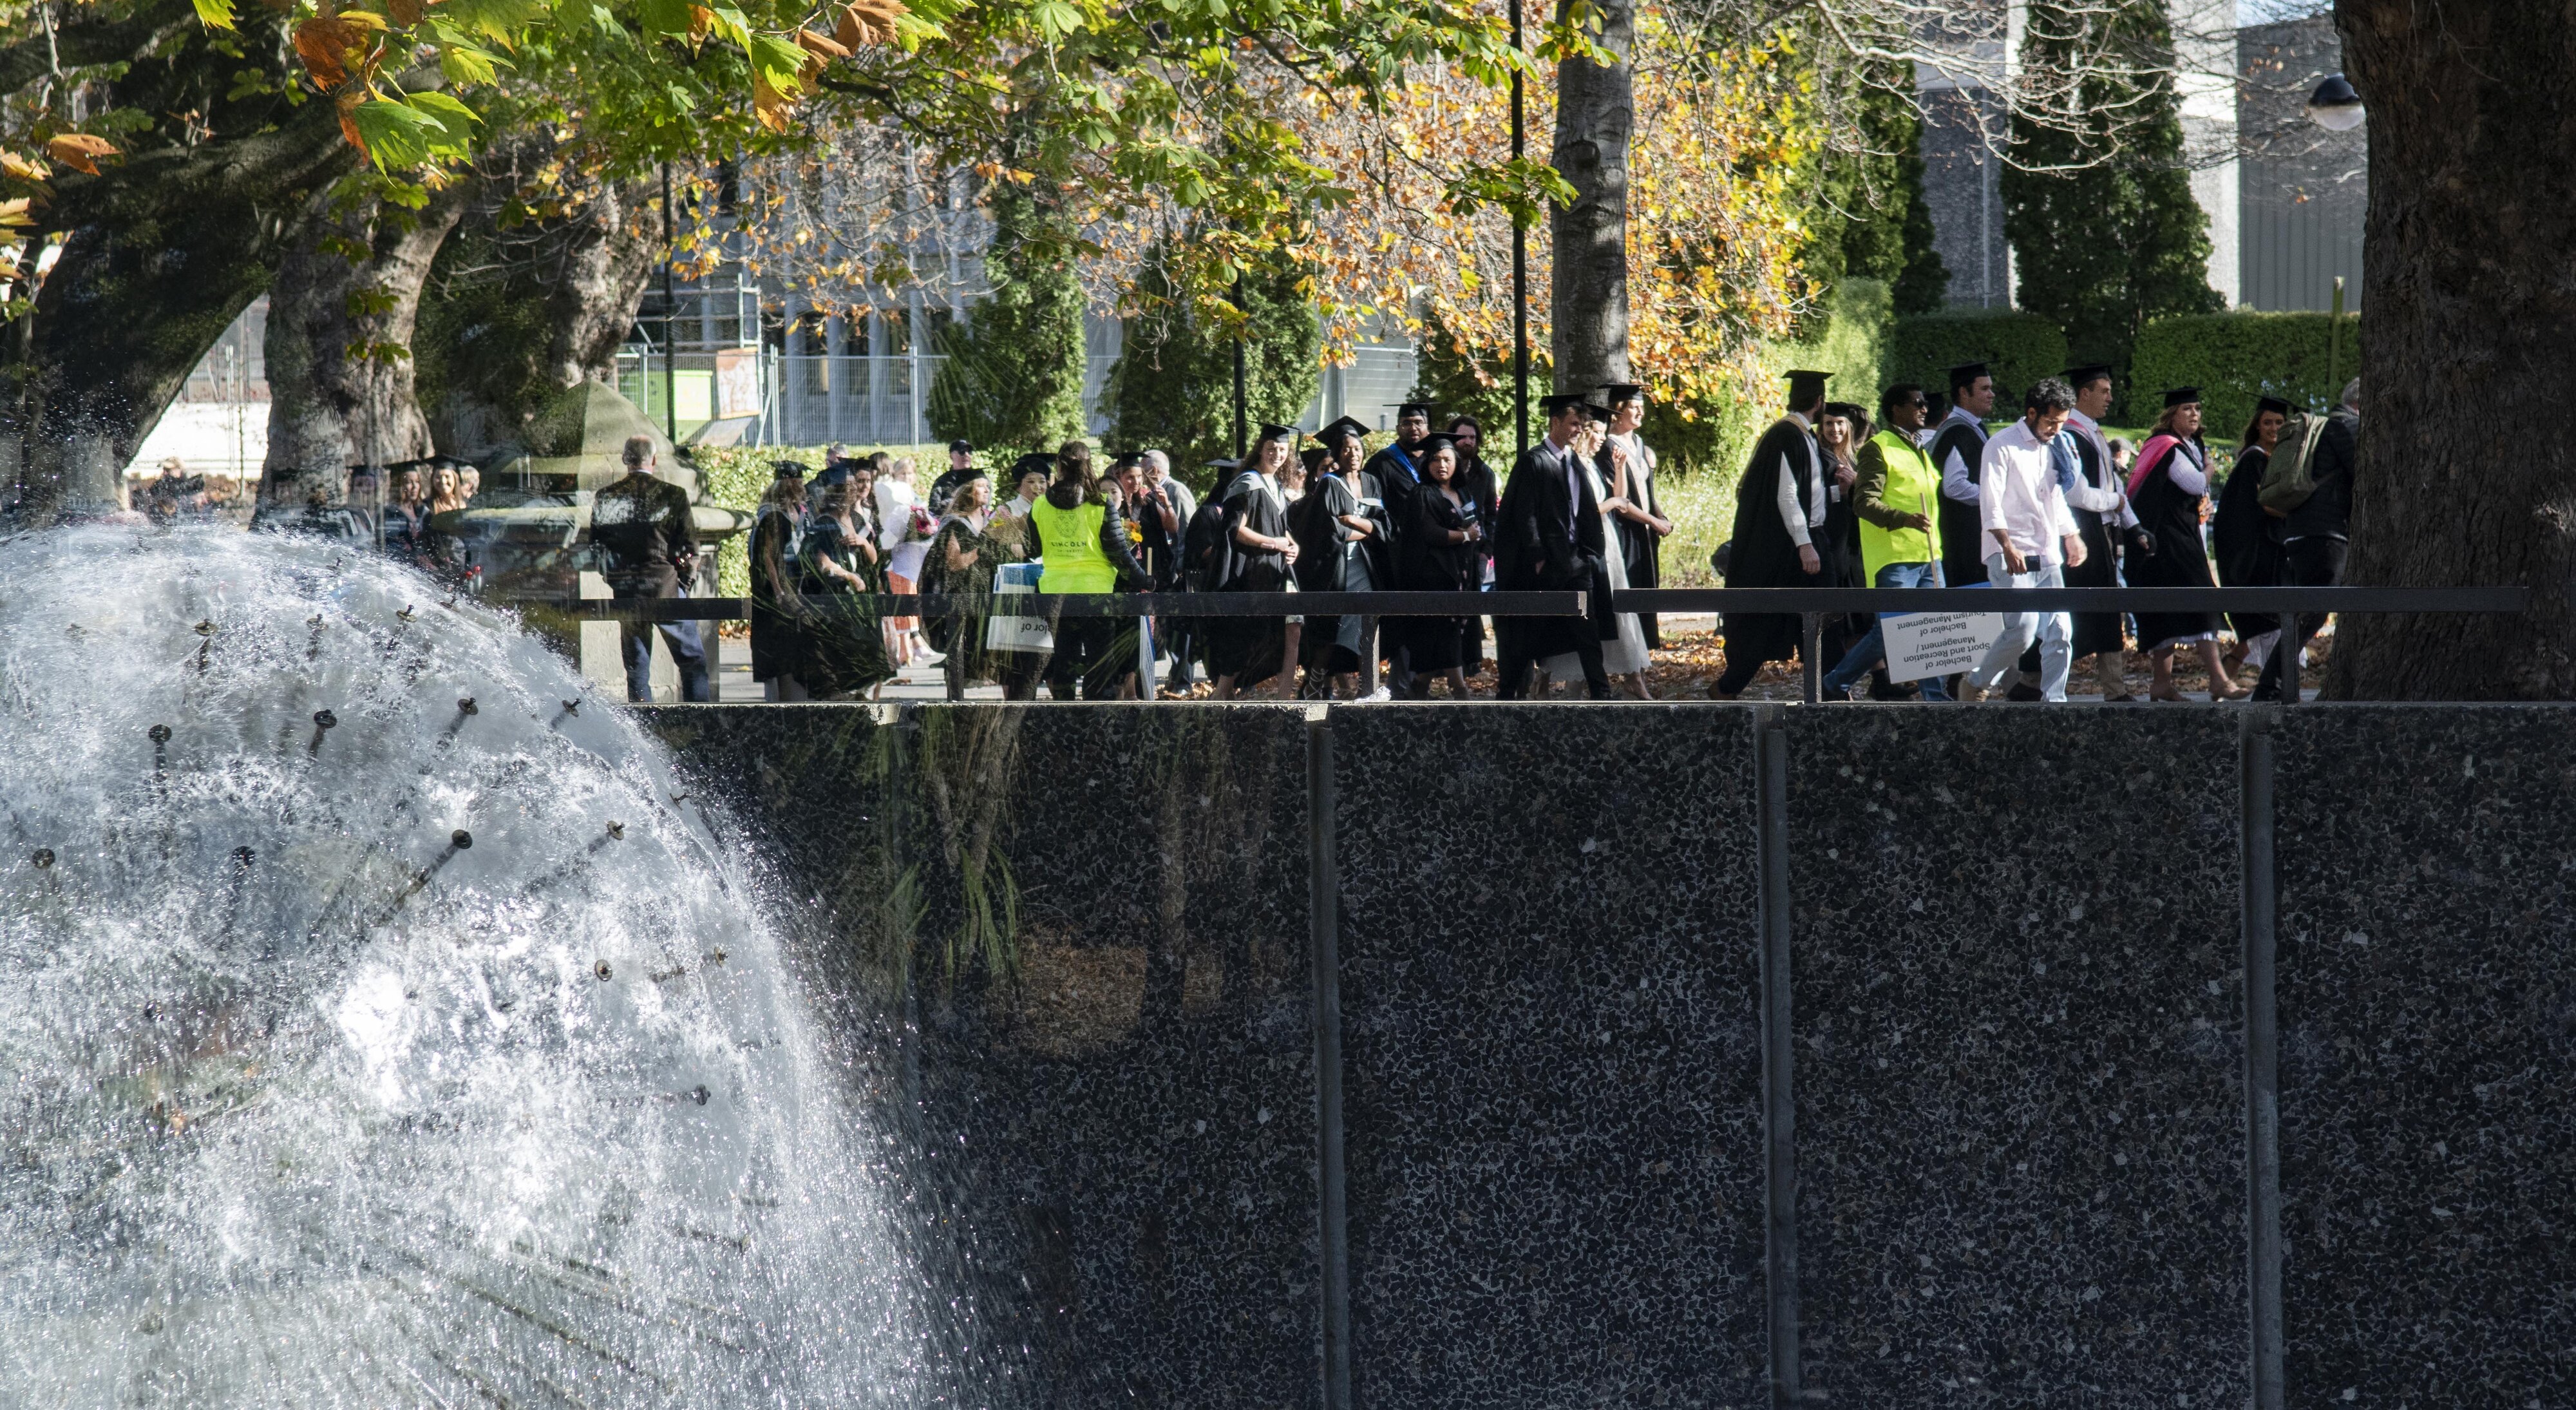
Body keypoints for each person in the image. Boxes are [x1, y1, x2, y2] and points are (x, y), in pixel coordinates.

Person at [1821, 383, 1951, 701]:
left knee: (1935, 629)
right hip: (1895, 559)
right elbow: (1863, 502)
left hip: (1930, 556)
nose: (1924, 408)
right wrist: (1903, 518)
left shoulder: (1918, 448)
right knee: (1892, 633)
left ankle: (1936, 698)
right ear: (1896, 410)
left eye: (1925, 403)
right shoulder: (1878, 448)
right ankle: (1833, 685)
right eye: (1916, 403)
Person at [1960, 378, 2086, 702]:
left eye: (2062, 422)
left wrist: (2071, 535)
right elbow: (1991, 501)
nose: (2057, 429)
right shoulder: (2001, 445)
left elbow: (2055, 498)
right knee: (2024, 630)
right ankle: (1977, 682)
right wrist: (2006, 545)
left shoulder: (2054, 446)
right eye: (2051, 422)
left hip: (2046, 552)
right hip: (2009, 552)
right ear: (2032, 413)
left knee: (2061, 631)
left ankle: (2055, 701)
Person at [1711, 370, 1833, 699]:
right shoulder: (1787, 436)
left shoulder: (1803, 435)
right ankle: (1726, 689)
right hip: (1795, 547)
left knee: (1823, 622)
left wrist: (1839, 492)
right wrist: (1806, 545)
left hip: (1808, 540)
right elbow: (1787, 496)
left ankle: (1829, 692)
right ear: (1818, 402)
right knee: (1768, 623)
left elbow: (1811, 493)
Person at [2126, 388, 2250, 701]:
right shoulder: (2165, 446)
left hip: (2181, 539)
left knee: (2168, 609)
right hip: (2168, 542)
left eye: (2197, 408)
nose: (2194, 414)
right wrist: (2209, 469)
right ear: (2171, 415)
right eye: (2186, 409)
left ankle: (2162, 685)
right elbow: (2194, 482)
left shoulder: (2191, 445)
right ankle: (2219, 680)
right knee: (2202, 602)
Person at [1495, 392, 1615, 700]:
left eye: (1582, 425)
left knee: (1586, 629)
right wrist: (1536, 556)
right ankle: (1507, 693)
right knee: (1528, 632)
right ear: (1555, 422)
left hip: (1576, 559)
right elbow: (1525, 513)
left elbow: (1584, 508)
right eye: (1574, 423)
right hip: (1545, 562)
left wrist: (1589, 553)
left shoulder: (1574, 461)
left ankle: (1602, 693)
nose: (1579, 430)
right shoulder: (1533, 461)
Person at [2253, 379, 2360, 701]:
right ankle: (2270, 686)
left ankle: (2274, 684)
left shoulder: (2326, 427)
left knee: (2308, 611)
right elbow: (2364, 472)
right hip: (2326, 535)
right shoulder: (2348, 427)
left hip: (2300, 531)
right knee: (2312, 613)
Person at [592, 434, 712, 703]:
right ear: (654, 460)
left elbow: (597, 550)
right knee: (692, 662)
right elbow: (690, 549)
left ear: (625, 460)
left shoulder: (606, 497)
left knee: (636, 668)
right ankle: (701, 725)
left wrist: (615, 580)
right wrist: (683, 583)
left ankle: (645, 731)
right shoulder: (673, 495)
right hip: (666, 587)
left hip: (628, 593)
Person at [1031, 441, 1153, 700]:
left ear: (1060, 466)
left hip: (1055, 593)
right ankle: (1096, 720)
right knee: (1100, 664)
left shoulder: (1041, 504)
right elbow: (1119, 553)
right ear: (1088, 466)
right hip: (1095, 593)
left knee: (1064, 659)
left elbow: (1034, 548)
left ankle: (1063, 718)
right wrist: (1144, 580)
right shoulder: (1100, 504)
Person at [1544, 403, 1651, 696]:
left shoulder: (1590, 464)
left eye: (1604, 432)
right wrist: (1614, 505)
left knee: (1613, 609)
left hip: (1608, 540)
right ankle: (1569, 683)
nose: (1602, 438)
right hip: (1592, 539)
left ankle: (1625, 678)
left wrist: (1619, 469)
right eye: (1598, 432)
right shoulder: (1573, 465)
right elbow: (1586, 511)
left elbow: (1621, 498)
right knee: (1590, 611)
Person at [2054, 366, 2148, 701]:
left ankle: (2115, 688)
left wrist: (2132, 525)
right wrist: (2116, 502)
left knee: (2108, 610)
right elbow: (2076, 493)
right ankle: (2034, 682)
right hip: (2079, 533)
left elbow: (2115, 485)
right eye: (2104, 391)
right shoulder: (2069, 434)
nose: (2110, 397)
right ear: (2084, 393)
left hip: (2102, 533)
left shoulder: (2093, 433)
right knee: (2076, 613)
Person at [1291, 418, 1392, 698]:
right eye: (1346, 449)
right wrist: (1368, 529)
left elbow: (1386, 527)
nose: (1353, 454)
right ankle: (1312, 686)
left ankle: (1366, 688)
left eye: (1357, 448)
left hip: (1366, 567)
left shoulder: (1372, 482)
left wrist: (1358, 524)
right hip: (1336, 568)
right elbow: (1333, 532)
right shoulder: (1329, 485)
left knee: (1367, 625)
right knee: (1330, 629)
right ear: (1336, 453)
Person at [1208, 426, 1300, 698]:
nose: (1277, 454)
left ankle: (1284, 696)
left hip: (1275, 571)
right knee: (1245, 633)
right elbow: (1235, 529)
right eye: (1272, 448)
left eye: (1282, 450)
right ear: (1260, 449)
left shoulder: (1276, 486)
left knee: (1292, 629)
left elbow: (1279, 527)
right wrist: (1273, 543)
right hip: (1248, 571)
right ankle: (1222, 693)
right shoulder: (1248, 483)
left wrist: (1292, 545)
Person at [1392, 432, 1482, 698]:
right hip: (1434, 578)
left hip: (1462, 576)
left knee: (1444, 639)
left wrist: (1473, 533)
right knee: (1446, 634)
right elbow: (1429, 533)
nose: (1441, 465)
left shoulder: (1462, 491)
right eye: (1435, 460)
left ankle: (1417, 691)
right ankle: (1461, 692)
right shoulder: (1423, 493)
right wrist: (1466, 536)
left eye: (1446, 459)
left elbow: (1476, 522)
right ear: (1426, 464)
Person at [797, 469, 895, 700]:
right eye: (849, 488)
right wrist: (850, 576)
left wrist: (862, 542)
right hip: (837, 602)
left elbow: (874, 559)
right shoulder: (824, 524)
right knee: (847, 666)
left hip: (862, 603)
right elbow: (821, 562)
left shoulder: (858, 519)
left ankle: (870, 709)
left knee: (874, 663)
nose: (855, 491)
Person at [2213, 395, 2292, 678]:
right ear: (2257, 426)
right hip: (2256, 550)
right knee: (2270, 614)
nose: (2273, 428)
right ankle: (2275, 683)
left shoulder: (2276, 457)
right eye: (2267, 422)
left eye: (2280, 422)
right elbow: (2265, 503)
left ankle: (2228, 673)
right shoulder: (2255, 459)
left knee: (2268, 618)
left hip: (2270, 546)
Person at [1598, 385, 1672, 652]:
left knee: (1647, 592)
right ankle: (1629, 656)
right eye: (1634, 407)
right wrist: (1653, 521)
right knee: (1629, 593)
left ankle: (1642, 658)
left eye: (1642, 406)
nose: (1641, 412)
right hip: (1625, 533)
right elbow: (1621, 503)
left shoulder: (1640, 445)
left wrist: (1661, 515)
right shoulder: (1606, 449)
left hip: (1646, 534)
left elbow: (1648, 490)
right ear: (1617, 412)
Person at [924, 472, 1003, 697]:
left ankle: (980, 674)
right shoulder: (955, 523)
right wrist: (981, 552)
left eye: (988, 487)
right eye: (981, 486)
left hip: (986, 591)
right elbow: (954, 562)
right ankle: (959, 685)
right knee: (961, 639)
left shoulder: (990, 521)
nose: (987, 491)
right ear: (968, 490)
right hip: (961, 593)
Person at [748, 460, 812, 701]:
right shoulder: (772, 517)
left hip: (794, 589)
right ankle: (781, 706)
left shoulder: (795, 513)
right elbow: (767, 556)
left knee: (792, 654)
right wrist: (778, 590)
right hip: (778, 596)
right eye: (797, 481)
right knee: (779, 655)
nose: (801, 486)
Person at [1932, 362, 1998, 593]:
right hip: (1962, 536)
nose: (1992, 394)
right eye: (1984, 389)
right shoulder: (1956, 431)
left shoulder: (1974, 428)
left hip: (1973, 533)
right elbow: (1954, 486)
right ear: (1963, 392)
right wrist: (1994, 498)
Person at [1448, 415, 1502, 672]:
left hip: (1476, 553)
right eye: (1462, 437)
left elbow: (1491, 515)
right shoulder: (1442, 469)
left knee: (1471, 608)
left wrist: (1486, 552)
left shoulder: (1485, 473)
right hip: (1447, 551)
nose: (1468, 442)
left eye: (1472, 437)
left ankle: (1468, 664)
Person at [382, 463, 431, 570]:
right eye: (409, 482)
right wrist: (416, 556)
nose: (415, 487)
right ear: (400, 485)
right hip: (403, 569)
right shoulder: (392, 513)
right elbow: (393, 547)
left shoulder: (421, 511)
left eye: (417, 482)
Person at [927, 439, 980, 516]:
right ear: (952, 456)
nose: (967, 455)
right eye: (962, 451)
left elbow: (984, 507)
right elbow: (933, 511)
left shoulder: (978, 480)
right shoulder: (942, 481)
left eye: (969, 452)